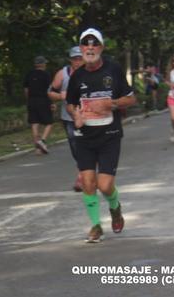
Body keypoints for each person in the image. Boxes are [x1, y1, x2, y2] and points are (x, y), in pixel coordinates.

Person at [66, 28, 136, 243]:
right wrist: (75, 114)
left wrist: (111, 103)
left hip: (109, 134)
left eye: (94, 44)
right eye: (85, 44)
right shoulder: (77, 76)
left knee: (105, 185)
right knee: (88, 182)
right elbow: (70, 103)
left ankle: (115, 208)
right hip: (85, 136)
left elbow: (131, 99)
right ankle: (96, 226)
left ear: (101, 47)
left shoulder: (113, 69)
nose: (89, 48)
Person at [48, 46, 85, 192]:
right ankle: (84, 170)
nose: (77, 62)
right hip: (68, 117)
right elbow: (50, 92)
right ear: (70, 60)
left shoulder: (90, 72)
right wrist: (61, 96)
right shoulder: (63, 74)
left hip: (87, 116)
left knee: (84, 145)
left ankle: (81, 177)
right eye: (75, 59)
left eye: (80, 58)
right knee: (75, 147)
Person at [23, 56, 53, 154]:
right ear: (43, 64)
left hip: (32, 100)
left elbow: (26, 89)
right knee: (49, 123)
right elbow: (49, 90)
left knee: (34, 123)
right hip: (43, 100)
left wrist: (28, 100)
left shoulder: (29, 74)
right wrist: (51, 102)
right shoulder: (46, 75)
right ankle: (42, 141)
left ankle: (37, 149)